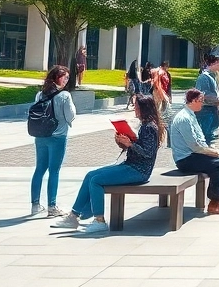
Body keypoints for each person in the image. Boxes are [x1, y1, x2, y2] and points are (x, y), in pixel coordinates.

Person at [54, 94, 164, 233]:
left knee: (96, 181)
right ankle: (74, 216)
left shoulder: (150, 127)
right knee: (90, 175)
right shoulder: (145, 125)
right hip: (131, 165)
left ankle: (99, 220)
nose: (134, 109)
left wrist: (130, 144)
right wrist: (123, 141)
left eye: (136, 106)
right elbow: (138, 147)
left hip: (139, 170)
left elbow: (148, 153)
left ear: (144, 108)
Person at [169, 89, 219, 215]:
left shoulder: (191, 115)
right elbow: (195, 146)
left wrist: (211, 150)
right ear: (194, 101)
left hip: (194, 155)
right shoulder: (184, 118)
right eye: (201, 101)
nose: (202, 104)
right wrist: (212, 152)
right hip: (185, 159)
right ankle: (214, 203)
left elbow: (199, 142)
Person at [29, 65, 76, 217]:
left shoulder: (40, 94)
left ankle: (35, 205)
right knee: (54, 170)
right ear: (57, 78)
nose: (66, 80)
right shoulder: (64, 96)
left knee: (39, 169)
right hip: (58, 136)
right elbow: (70, 116)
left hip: (41, 136)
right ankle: (52, 207)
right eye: (65, 77)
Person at [193, 53, 219, 142]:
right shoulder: (204, 77)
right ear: (213, 63)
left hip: (212, 109)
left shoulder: (213, 76)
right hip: (206, 110)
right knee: (206, 136)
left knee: (209, 134)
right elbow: (204, 94)